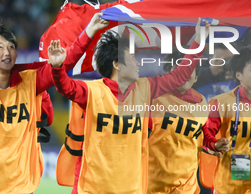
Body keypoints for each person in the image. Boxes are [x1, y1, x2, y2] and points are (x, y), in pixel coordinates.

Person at [0, 1, 109, 193]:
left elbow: (67, 61)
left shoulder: (30, 81)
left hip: (20, 187)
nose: (7, 52)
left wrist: (90, 30)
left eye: (11, 46)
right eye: (0, 47)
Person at [49, 18, 210, 194]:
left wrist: (199, 41)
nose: (138, 63)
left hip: (131, 189)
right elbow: (65, 87)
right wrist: (57, 67)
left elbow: (179, 76)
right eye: (132, 58)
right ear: (117, 65)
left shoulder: (144, 88)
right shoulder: (92, 91)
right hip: (94, 189)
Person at [202, 45, 251, 194]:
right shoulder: (220, 103)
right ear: (238, 75)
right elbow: (204, 136)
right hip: (227, 185)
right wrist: (214, 145)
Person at [147, 50, 208, 194]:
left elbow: (204, 139)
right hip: (152, 184)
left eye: (189, 69)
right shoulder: (151, 98)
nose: (184, 74)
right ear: (169, 74)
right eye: (178, 68)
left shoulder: (203, 104)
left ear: (196, 77)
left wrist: (214, 144)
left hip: (186, 186)